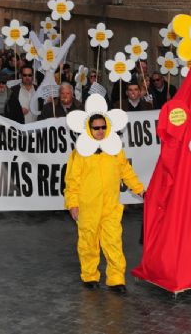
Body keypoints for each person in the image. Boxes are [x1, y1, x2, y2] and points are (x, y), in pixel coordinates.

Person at [64, 114, 145, 293]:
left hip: (110, 206)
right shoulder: (80, 153)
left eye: (103, 127)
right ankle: (90, 275)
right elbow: (72, 181)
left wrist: (141, 190)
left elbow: (126, 171)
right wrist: (72, 204)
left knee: (113, 242)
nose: (100, 131)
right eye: (96, 128)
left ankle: (116, 279)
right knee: (88, 243)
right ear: (89, 129)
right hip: (88, 207)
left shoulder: (115, 150)